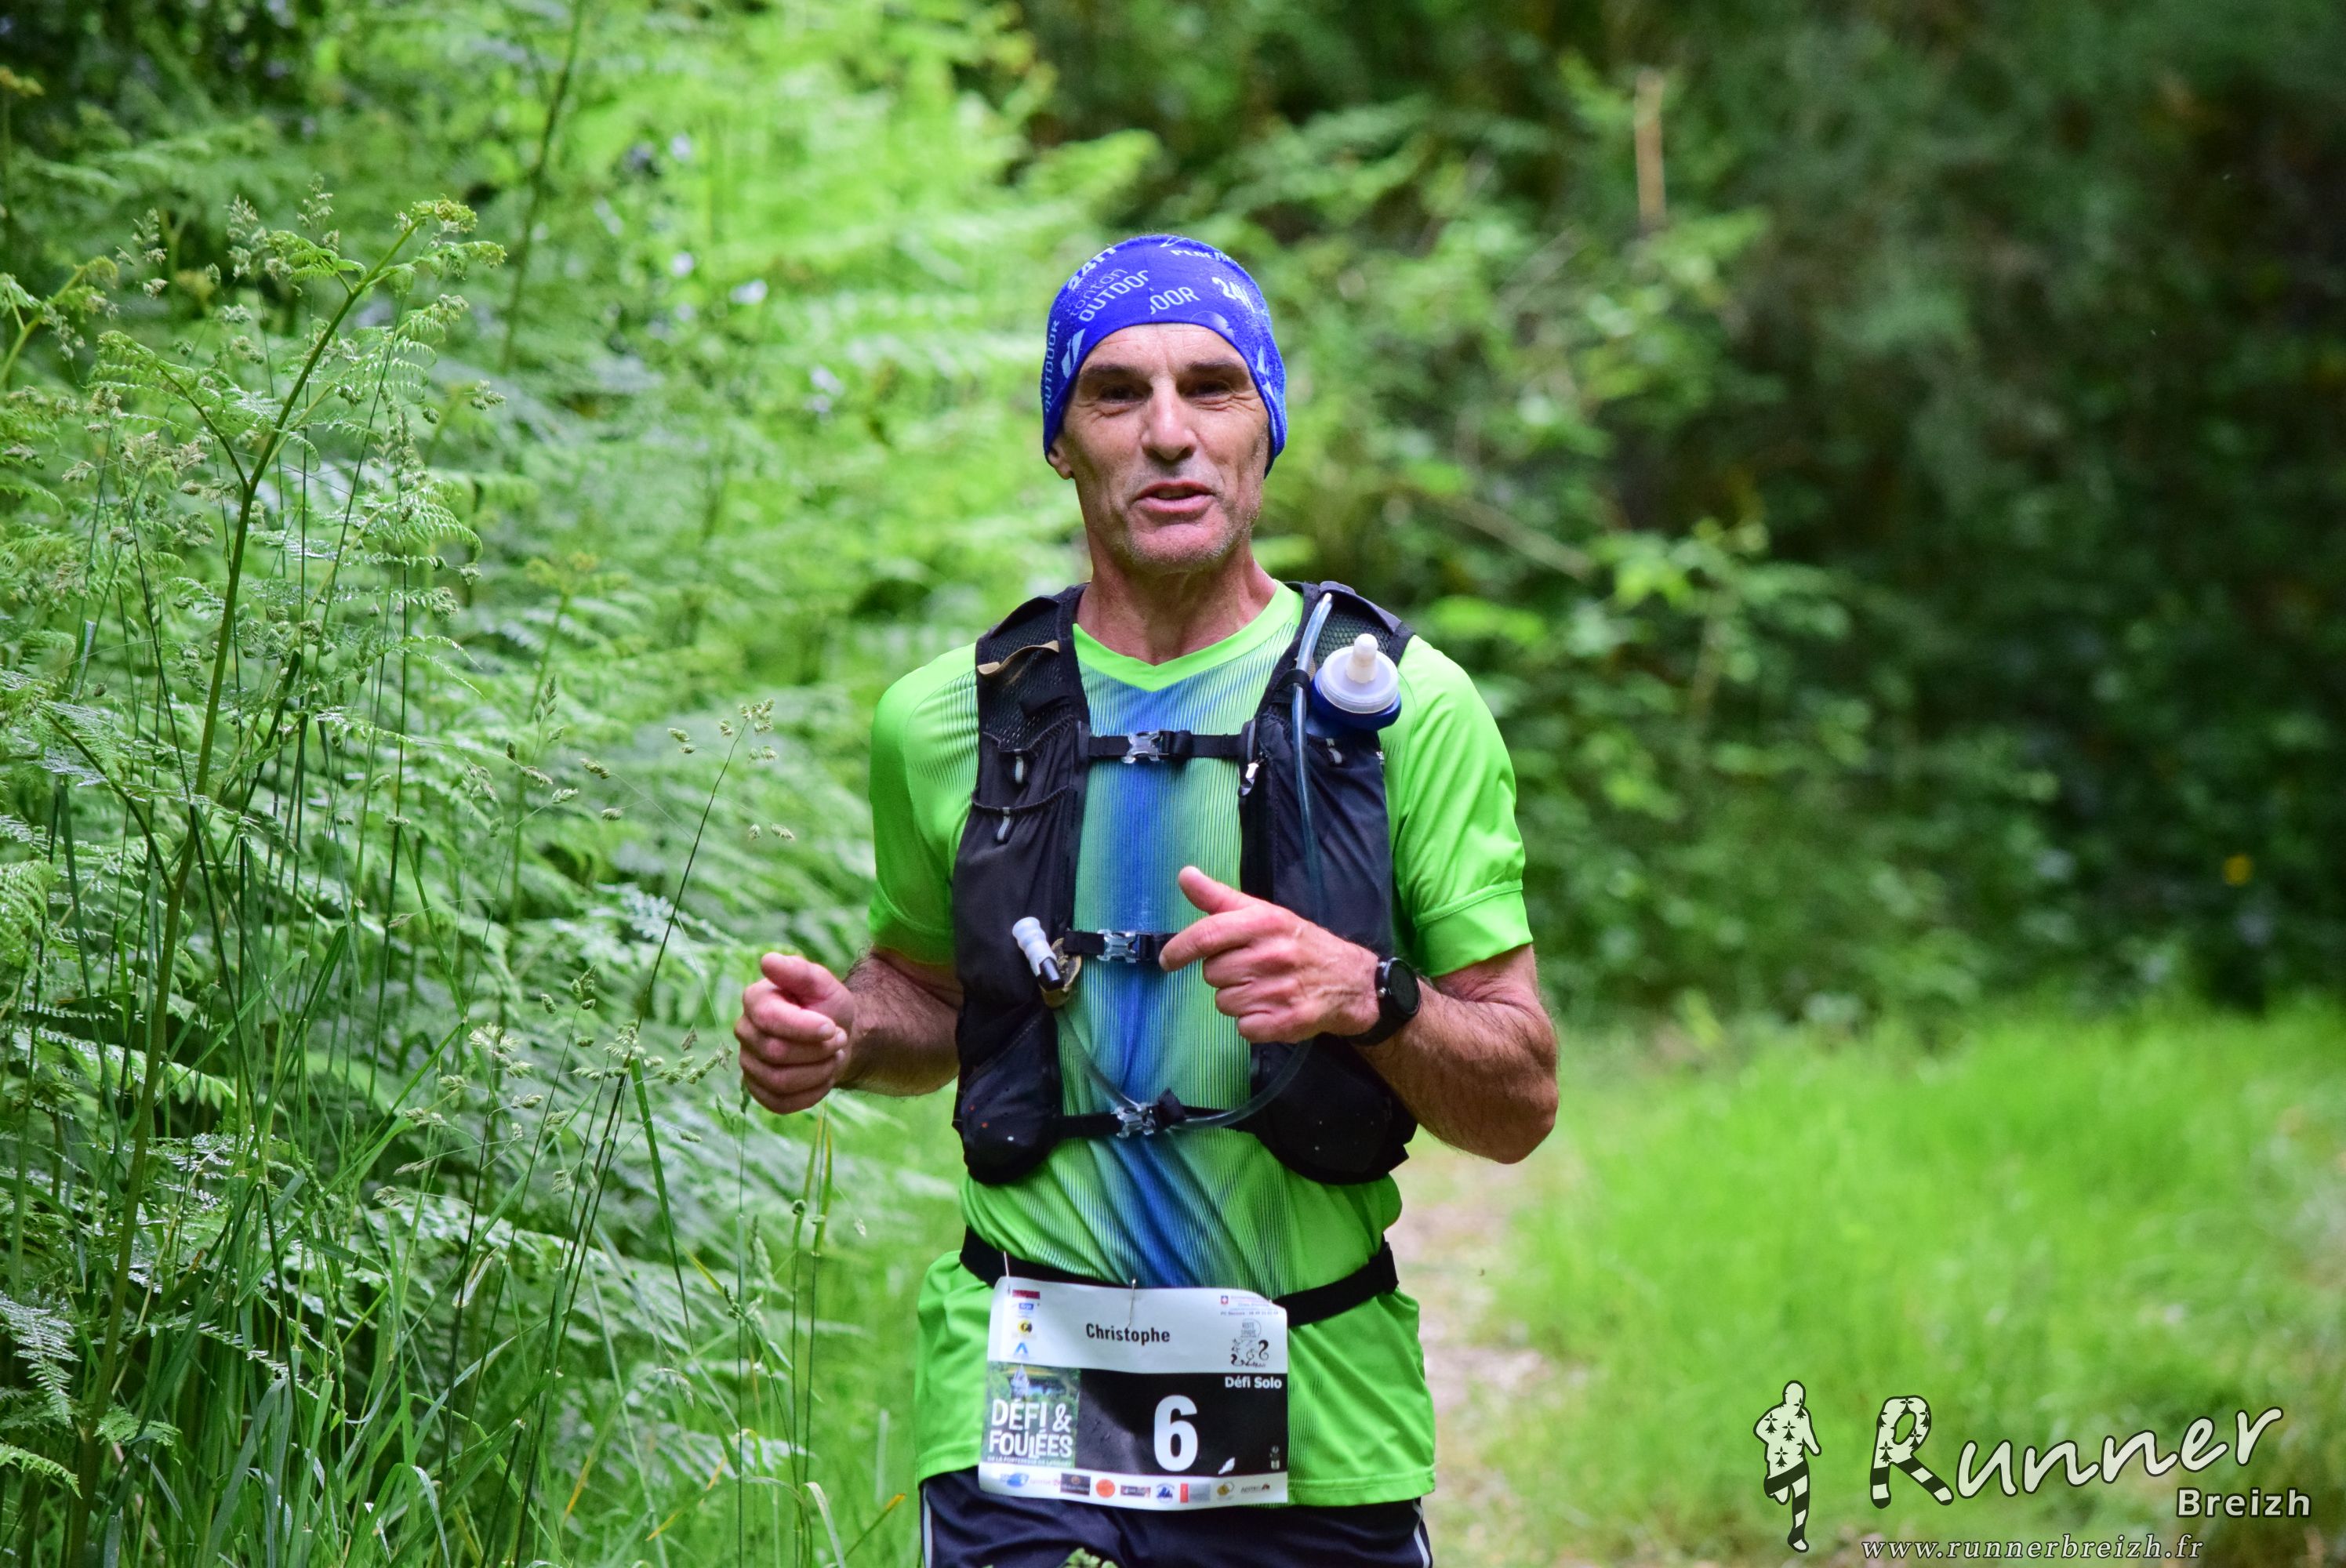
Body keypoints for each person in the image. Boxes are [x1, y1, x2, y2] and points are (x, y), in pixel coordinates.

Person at [735, 234, 1558, 1567]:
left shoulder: (1404, 710)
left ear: (1265, 428)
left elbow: (1518, 1102)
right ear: (1062, 444)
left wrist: (1370, 996)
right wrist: (844, 1033)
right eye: (1116, 393)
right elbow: (932, 995)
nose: (1168, 432)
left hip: (1320, 1411)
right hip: (1018, 1414)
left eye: (1212, 387)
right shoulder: (947, 721)